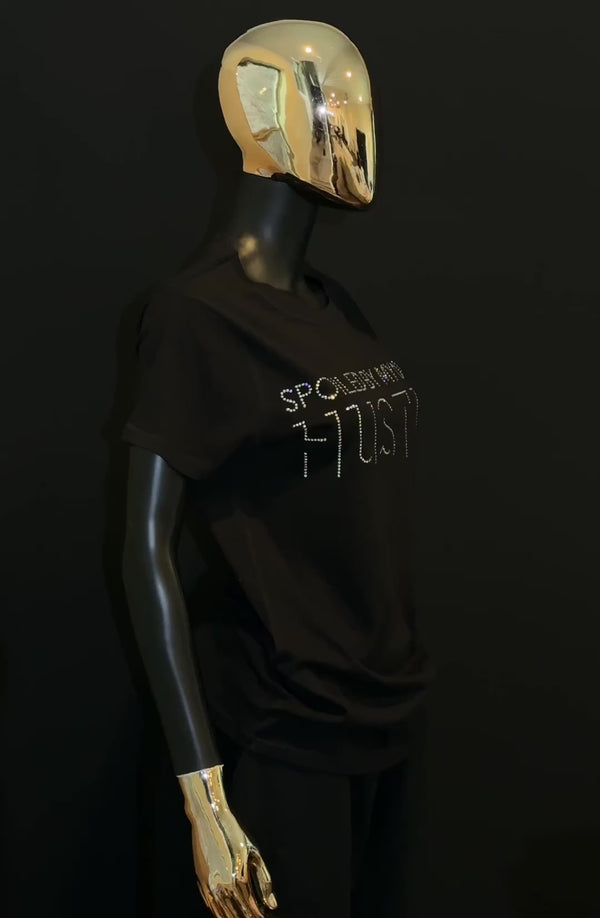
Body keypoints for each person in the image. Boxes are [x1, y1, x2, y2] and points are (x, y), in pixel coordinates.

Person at [121, 19, 434, 918]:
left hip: (391, 718)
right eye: (332, 100)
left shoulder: (337, 308)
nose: (355, 124)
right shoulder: (196, 317)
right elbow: (144, 549)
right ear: (265, 113)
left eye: (360, 102)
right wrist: (205, 799)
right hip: (285, 737)